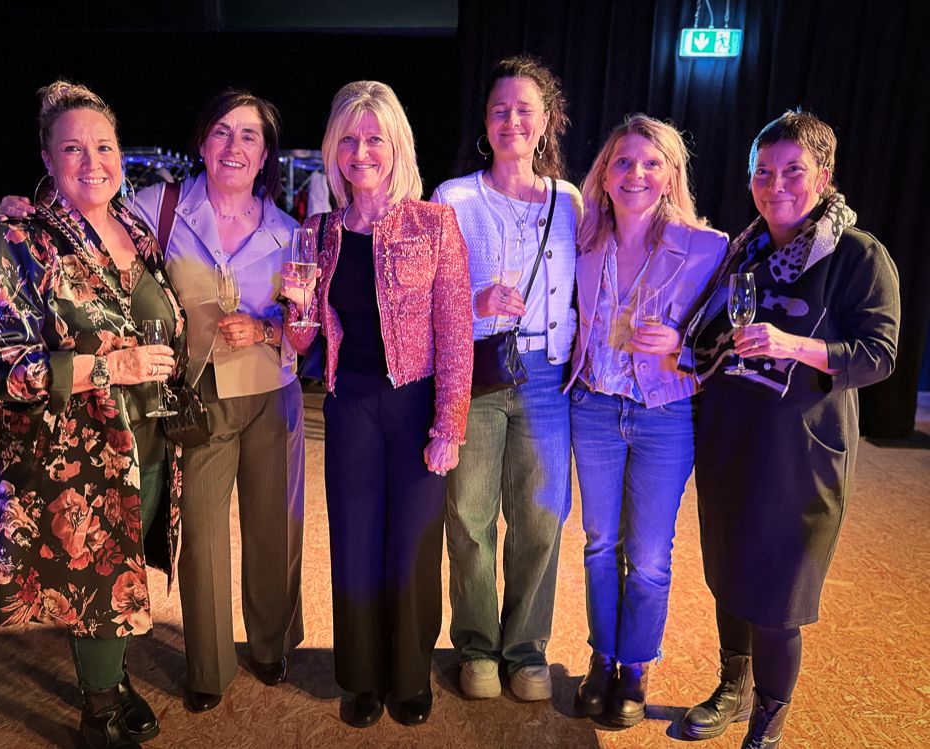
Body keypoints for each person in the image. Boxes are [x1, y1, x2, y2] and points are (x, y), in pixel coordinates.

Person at [0, 89, 306, 714]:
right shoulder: (155, 209)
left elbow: (309, 323)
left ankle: (271, 646)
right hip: (193, 397)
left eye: (249, 135)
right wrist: (28, 206)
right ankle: (208, 667)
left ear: (265, 153)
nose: (234, 146)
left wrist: (269, 328)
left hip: (273, 392)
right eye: (221, 131)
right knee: (202, 537)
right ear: (201, 142)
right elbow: (83, 217)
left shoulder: (292, 229)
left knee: (276, 529)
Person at [0, 81, 187, 749]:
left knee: (121, 572)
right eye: (72, 149)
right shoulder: (14, 241)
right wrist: (108, 367)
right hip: (74, 453)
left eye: (104, 146)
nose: (92, 162)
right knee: (95, 574)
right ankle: (99, 711)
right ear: (46, 158)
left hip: (148, 435)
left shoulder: (137, 230)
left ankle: (110, 677)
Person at [679, 110, 899, 748]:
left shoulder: (857, 255)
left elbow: (880, 355)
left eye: (793, 171)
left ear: (824, 176)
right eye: (763, 172)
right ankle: (732, 687)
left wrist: (792, 345)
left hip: (800, 455)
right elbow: (707, 334)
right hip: (730, 437)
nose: (776, 185)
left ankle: (768, 724)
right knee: (728, 572)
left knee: (779, 597)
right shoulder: (743, 249)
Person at [281, 80, 472, 728]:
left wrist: (448, 426)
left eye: (373, 139)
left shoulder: (434, 223)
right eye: (348, 139)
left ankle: (410, 678)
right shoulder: (319, 231)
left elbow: (456, 333)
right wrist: (296, 306)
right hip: (350, 403)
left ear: (396, 146)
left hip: (416, 405)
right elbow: (302, 340)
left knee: (412, 548)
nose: (360, 152)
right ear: (333, 149)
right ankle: (361, 677)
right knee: (355, 543)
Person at [565, 114, 727, 726]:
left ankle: (635, 665)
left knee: (651, 553)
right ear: (604, 174)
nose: (636, 173)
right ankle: (602, 658)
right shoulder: (582, 239)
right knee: (599, 543)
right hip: (594, 406)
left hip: (664, 414)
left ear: (671, 174)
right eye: (624, 161)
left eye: (651, 163)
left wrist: (680, 346)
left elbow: (724, 340)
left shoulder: (708, 247)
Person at [431, 55, 580, 702]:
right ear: (485, 123)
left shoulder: (571, 201)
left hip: (546, 374)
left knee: (541, 517)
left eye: (525, 109)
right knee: (469, 517)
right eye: (500, 109)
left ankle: (526, 649)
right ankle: (477, 647)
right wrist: (476, 302)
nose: (512, 120)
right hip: (476, 371)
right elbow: (427, 297)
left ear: (547, 121)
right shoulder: (453, 198)